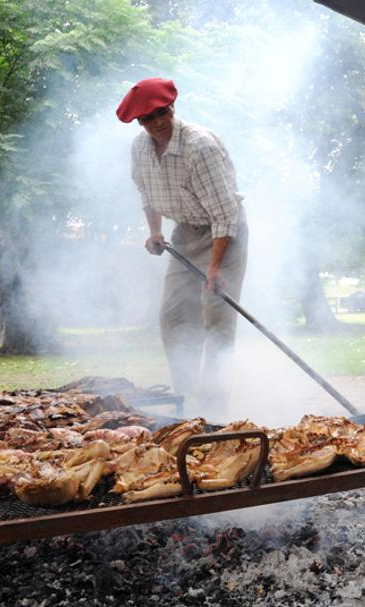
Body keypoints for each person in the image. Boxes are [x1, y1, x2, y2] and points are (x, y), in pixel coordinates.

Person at [117, 77, 248, 412]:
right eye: (148, 119)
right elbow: (147, 193)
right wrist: (155, 231)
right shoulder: (140, 148)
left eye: (162, 113)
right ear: (139, 122)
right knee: (173, 315)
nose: (157, 122)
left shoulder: (199, 146)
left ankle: (216, 407)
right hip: (185, 233)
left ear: (172, 108)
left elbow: (224, 213)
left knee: (216, 313)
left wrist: (215, 268)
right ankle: (187, 401)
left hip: (223, 235)